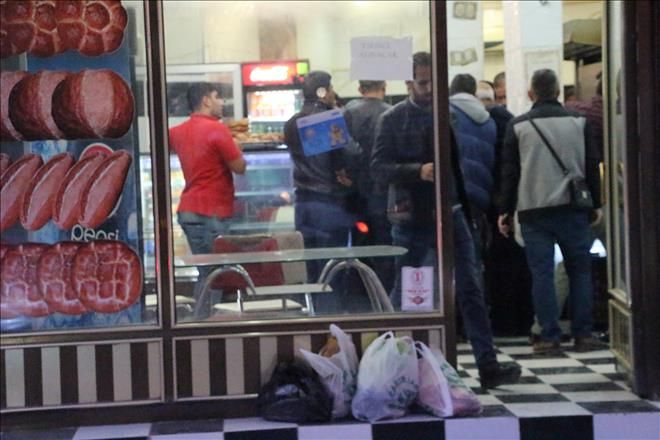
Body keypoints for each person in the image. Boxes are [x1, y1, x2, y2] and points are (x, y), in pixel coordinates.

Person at [371, 51, 521, 389]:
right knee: (407, 291)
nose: (428, 89)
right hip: (412, 217)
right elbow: (378, 168)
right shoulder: (393, 119)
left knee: (471, 287)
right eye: (423, 82)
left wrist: (465, 209)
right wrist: (417, 171)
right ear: (408, 82)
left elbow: (456, 167)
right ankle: (391, 362)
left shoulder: (446, 114)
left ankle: (487, 364)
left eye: (433, 82)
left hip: (451, 211)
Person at [497, 69, 604, 353]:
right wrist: (596, 203)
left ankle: (549, 336)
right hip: (573, 208)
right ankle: (583, 334)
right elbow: (591, 165)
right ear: (557, 92)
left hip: (533, 210)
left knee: (542, 274)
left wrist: (505, 211)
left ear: (531, 93)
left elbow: (510, 173)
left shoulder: (518, 126)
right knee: (579, 272)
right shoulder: (579, 122)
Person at [283, 70, 359, 313]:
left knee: (311, 268)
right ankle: (329, 320)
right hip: (329, 204)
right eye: (331, 88)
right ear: (323, 92)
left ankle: (311, 317)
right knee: (331, 270)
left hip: (303, 204)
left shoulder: (291, 123)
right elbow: (350, 154)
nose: (334, 92)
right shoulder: (329, 119)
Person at [169, 82, 247, 310]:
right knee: (216, 275)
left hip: (189, 210)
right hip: (212, 211)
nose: (221, 102)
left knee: (207, 272)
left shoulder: (176, 132)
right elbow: (239, 167)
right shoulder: (217, 129)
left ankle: (203, 319)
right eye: (217, 97)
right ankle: (204, 321)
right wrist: (237, 146)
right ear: (206, 100)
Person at [343, 80, 394, 293]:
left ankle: (360, 291)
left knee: (359, 242)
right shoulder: (392, 113)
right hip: (383, 190)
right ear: (384, 87)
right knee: (384, 244)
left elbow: (342, 149)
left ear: (360, 89)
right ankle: (384, 292)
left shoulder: (347, 113)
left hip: (355, 191)